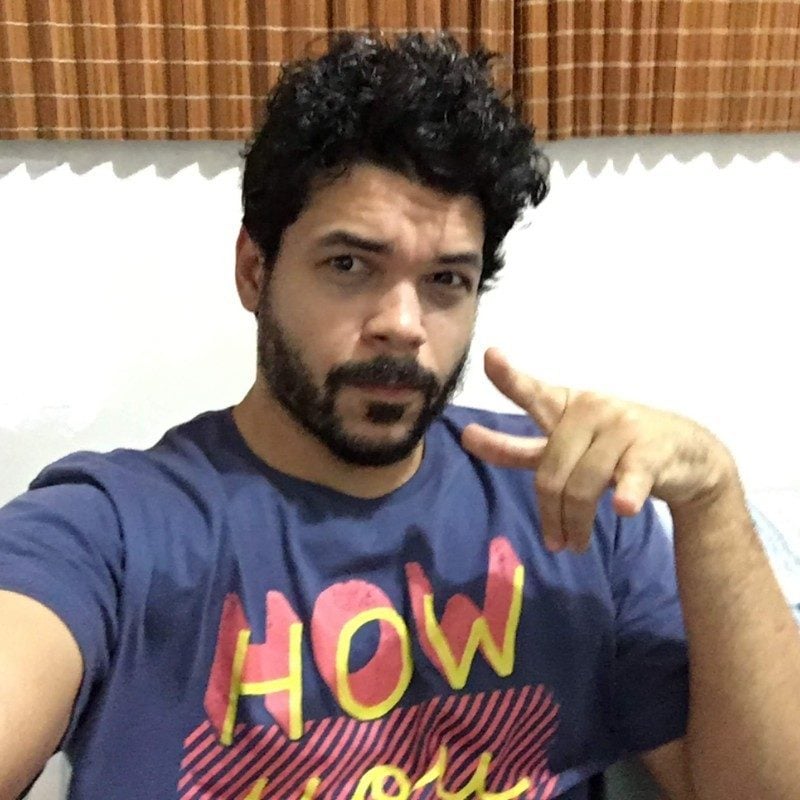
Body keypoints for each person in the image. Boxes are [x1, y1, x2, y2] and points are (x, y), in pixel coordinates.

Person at [1, 32, 798, 800]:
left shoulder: (569, 499)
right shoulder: (112, 532)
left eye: (446, 281)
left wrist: (711, 496)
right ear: (254, 270)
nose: (403, 325)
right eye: (350, 265)